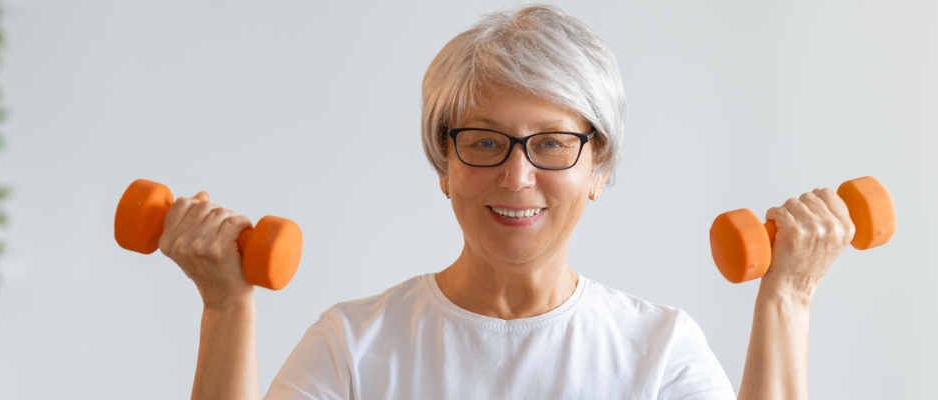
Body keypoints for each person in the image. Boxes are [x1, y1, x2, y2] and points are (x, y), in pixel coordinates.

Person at [159, 5, 855, 400]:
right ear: (445, 163)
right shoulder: (355, 346)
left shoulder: (658, 351)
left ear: (598, 167)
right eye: (484, 141)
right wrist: (227, 305)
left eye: (552, 144)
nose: (517, 178)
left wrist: (787, 297)